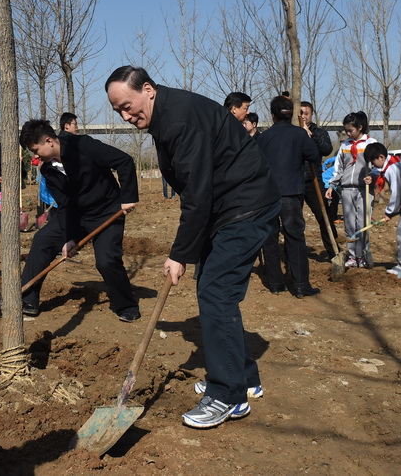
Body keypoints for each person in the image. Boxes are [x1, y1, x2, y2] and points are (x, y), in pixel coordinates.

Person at [106, 66, 280, 429]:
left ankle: (228, 395)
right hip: (226, 207)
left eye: (127, 105)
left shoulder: (180, 119)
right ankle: (242, 378)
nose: (125, 116)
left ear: (148, 90)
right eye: (117, 110)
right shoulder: (166, 116)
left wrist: (180, 253)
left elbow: (197, 193)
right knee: (215, 292)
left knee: (216, 292)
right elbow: (195, 188)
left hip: (245, 205)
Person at [19, 119, 140, 322]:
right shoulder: (47, 170)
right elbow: (65, 204)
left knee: (106, 260)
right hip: (77, 215)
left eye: (35, 150)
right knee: (43, 239)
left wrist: (127, 197)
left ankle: (126, 305)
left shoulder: (83, 145)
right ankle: (27, 299)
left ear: (48, 141)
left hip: (107, 212)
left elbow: (124, 161)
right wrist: (70, 237)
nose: (35, 156)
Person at [258, 96, 321, 297]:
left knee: (270, 238)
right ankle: (301, 284)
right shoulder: (299, 134)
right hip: (291, 194)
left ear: (273, 115)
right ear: (292, 114)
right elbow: (314, 156)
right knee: (295, 237)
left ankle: (276, 283)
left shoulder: (263, 137)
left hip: (268, 194)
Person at [325, 111, 377, 268]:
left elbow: (378, 166)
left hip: (364, 190)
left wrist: (372, 176)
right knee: (349, 225)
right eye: (346, 130)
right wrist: (332, 185)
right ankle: (353, 255)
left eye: (350, 130)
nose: (348, 133)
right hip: (347, 189)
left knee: (362, 223)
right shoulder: (345, 146)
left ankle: (362, 254)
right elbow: (338, 168)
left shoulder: (371, 144)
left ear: (360, 127)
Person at [363, 143, 401, 277]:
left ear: (381, 157)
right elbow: (379, 170)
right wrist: (372, 175)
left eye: (372, 161)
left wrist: (389, 212)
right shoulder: (391, 162)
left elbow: (397, 193)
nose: (372, 165)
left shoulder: (393, 169)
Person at [300, 101, 338, 258]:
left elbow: (326, 149)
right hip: (295, 180)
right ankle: (295, 254)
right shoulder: (293, 132)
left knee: (324, 216)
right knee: (295, 220)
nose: (303, 116)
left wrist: (311, 134)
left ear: (311, 115)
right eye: (300, 113)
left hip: (313, 179)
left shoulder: (320, 132)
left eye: (306, 113)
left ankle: (334, 251)